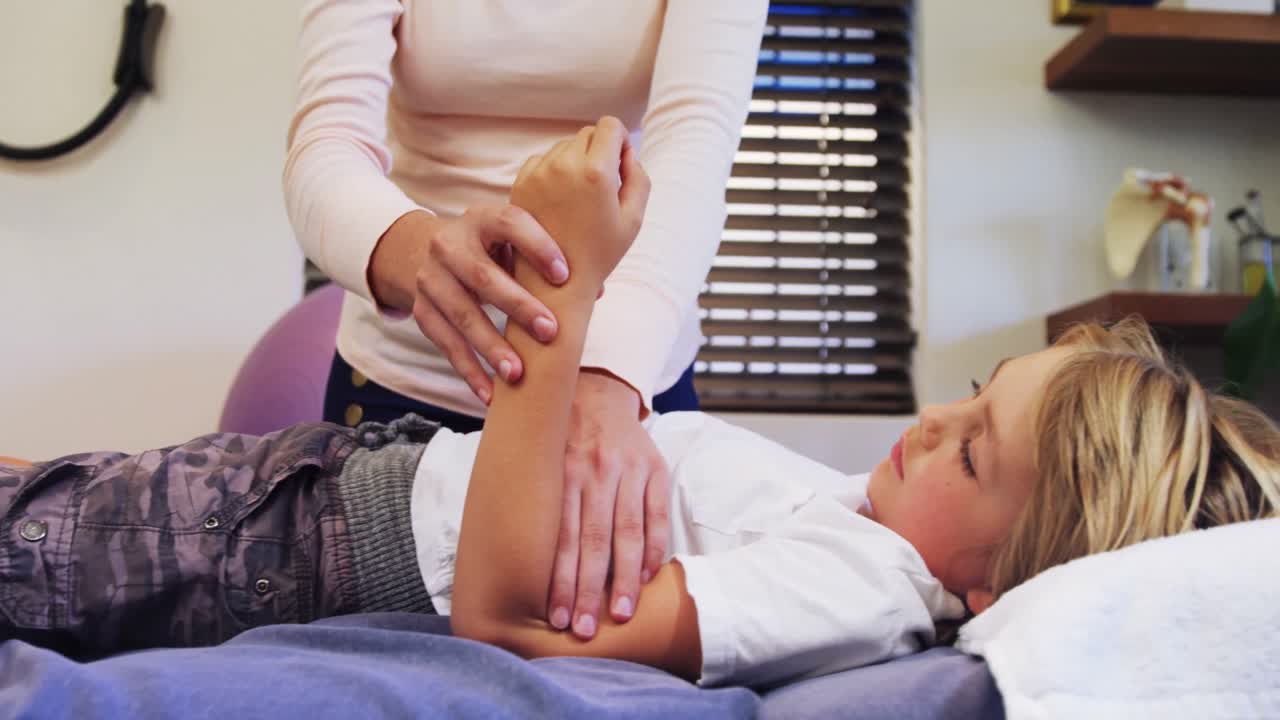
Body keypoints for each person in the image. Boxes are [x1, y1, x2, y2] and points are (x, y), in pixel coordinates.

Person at [4, 120, 1278, 686]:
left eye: (974, 452)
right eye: (966, 397)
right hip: (345, 482)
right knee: (50, 497)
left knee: (37, 542)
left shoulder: (858, 593)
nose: (934, 426)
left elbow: (506, 616)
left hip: (321, 544)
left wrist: (569, 291)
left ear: (1005, 582)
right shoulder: (873, 531)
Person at [282, 0, 769, 640]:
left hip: (622, 390)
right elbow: (327, 143)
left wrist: (603, 381)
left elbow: (696, 138)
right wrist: (419, 251)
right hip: (407, 385)